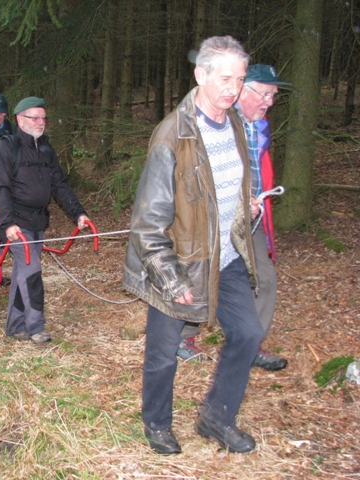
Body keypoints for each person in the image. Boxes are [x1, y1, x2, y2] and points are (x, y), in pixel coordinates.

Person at [123, 36, 264, 455]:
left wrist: (245, 204)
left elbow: (226, 184)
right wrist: (170, 278)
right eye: (225, 78)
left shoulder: (235, 122)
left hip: (226, 254)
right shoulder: (173, 135)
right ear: (200, 75)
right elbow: (147, 224)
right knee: (164, 353)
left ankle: (216, 418)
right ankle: (157, 423)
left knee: (248, 333)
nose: (233, 89)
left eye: (239, 80)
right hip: (180, 260)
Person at [177, 64, 290, 371]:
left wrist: (256, 202)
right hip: (215, 215)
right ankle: (181, 336)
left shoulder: (259, 126)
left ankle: (248, 344)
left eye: (273, 95)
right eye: (264, 94)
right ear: (243, 90)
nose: (268, 101)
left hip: (250, 218)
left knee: (264, 278)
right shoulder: (220, 120)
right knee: (203, 274)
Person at [0, 96, 90, 344]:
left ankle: (15, 326)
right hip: (15, 223)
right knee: (32, 271)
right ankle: (36, 327)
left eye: (43, 117)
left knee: (23, 274)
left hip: (37, 221)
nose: (40, 122)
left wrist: (78, 213)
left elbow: (60, 185)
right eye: (34, 117)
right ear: (20, 119)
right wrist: (7, 224)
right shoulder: (7, 148)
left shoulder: (46, 149)